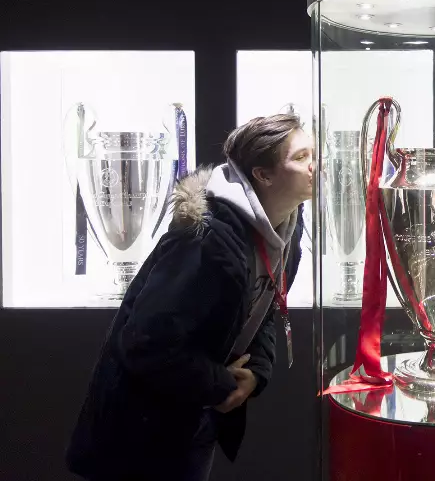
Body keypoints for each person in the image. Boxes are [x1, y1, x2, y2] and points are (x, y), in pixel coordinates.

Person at [66, 114, 315, 481]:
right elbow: (145, 343)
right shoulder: (204, 238)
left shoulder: (287, 226)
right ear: (263, 174)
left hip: (194, 415)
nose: (315, 165)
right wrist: (221, 382)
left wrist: (256, 372)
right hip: (140, 433)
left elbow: (262, 308)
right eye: (302, 156)